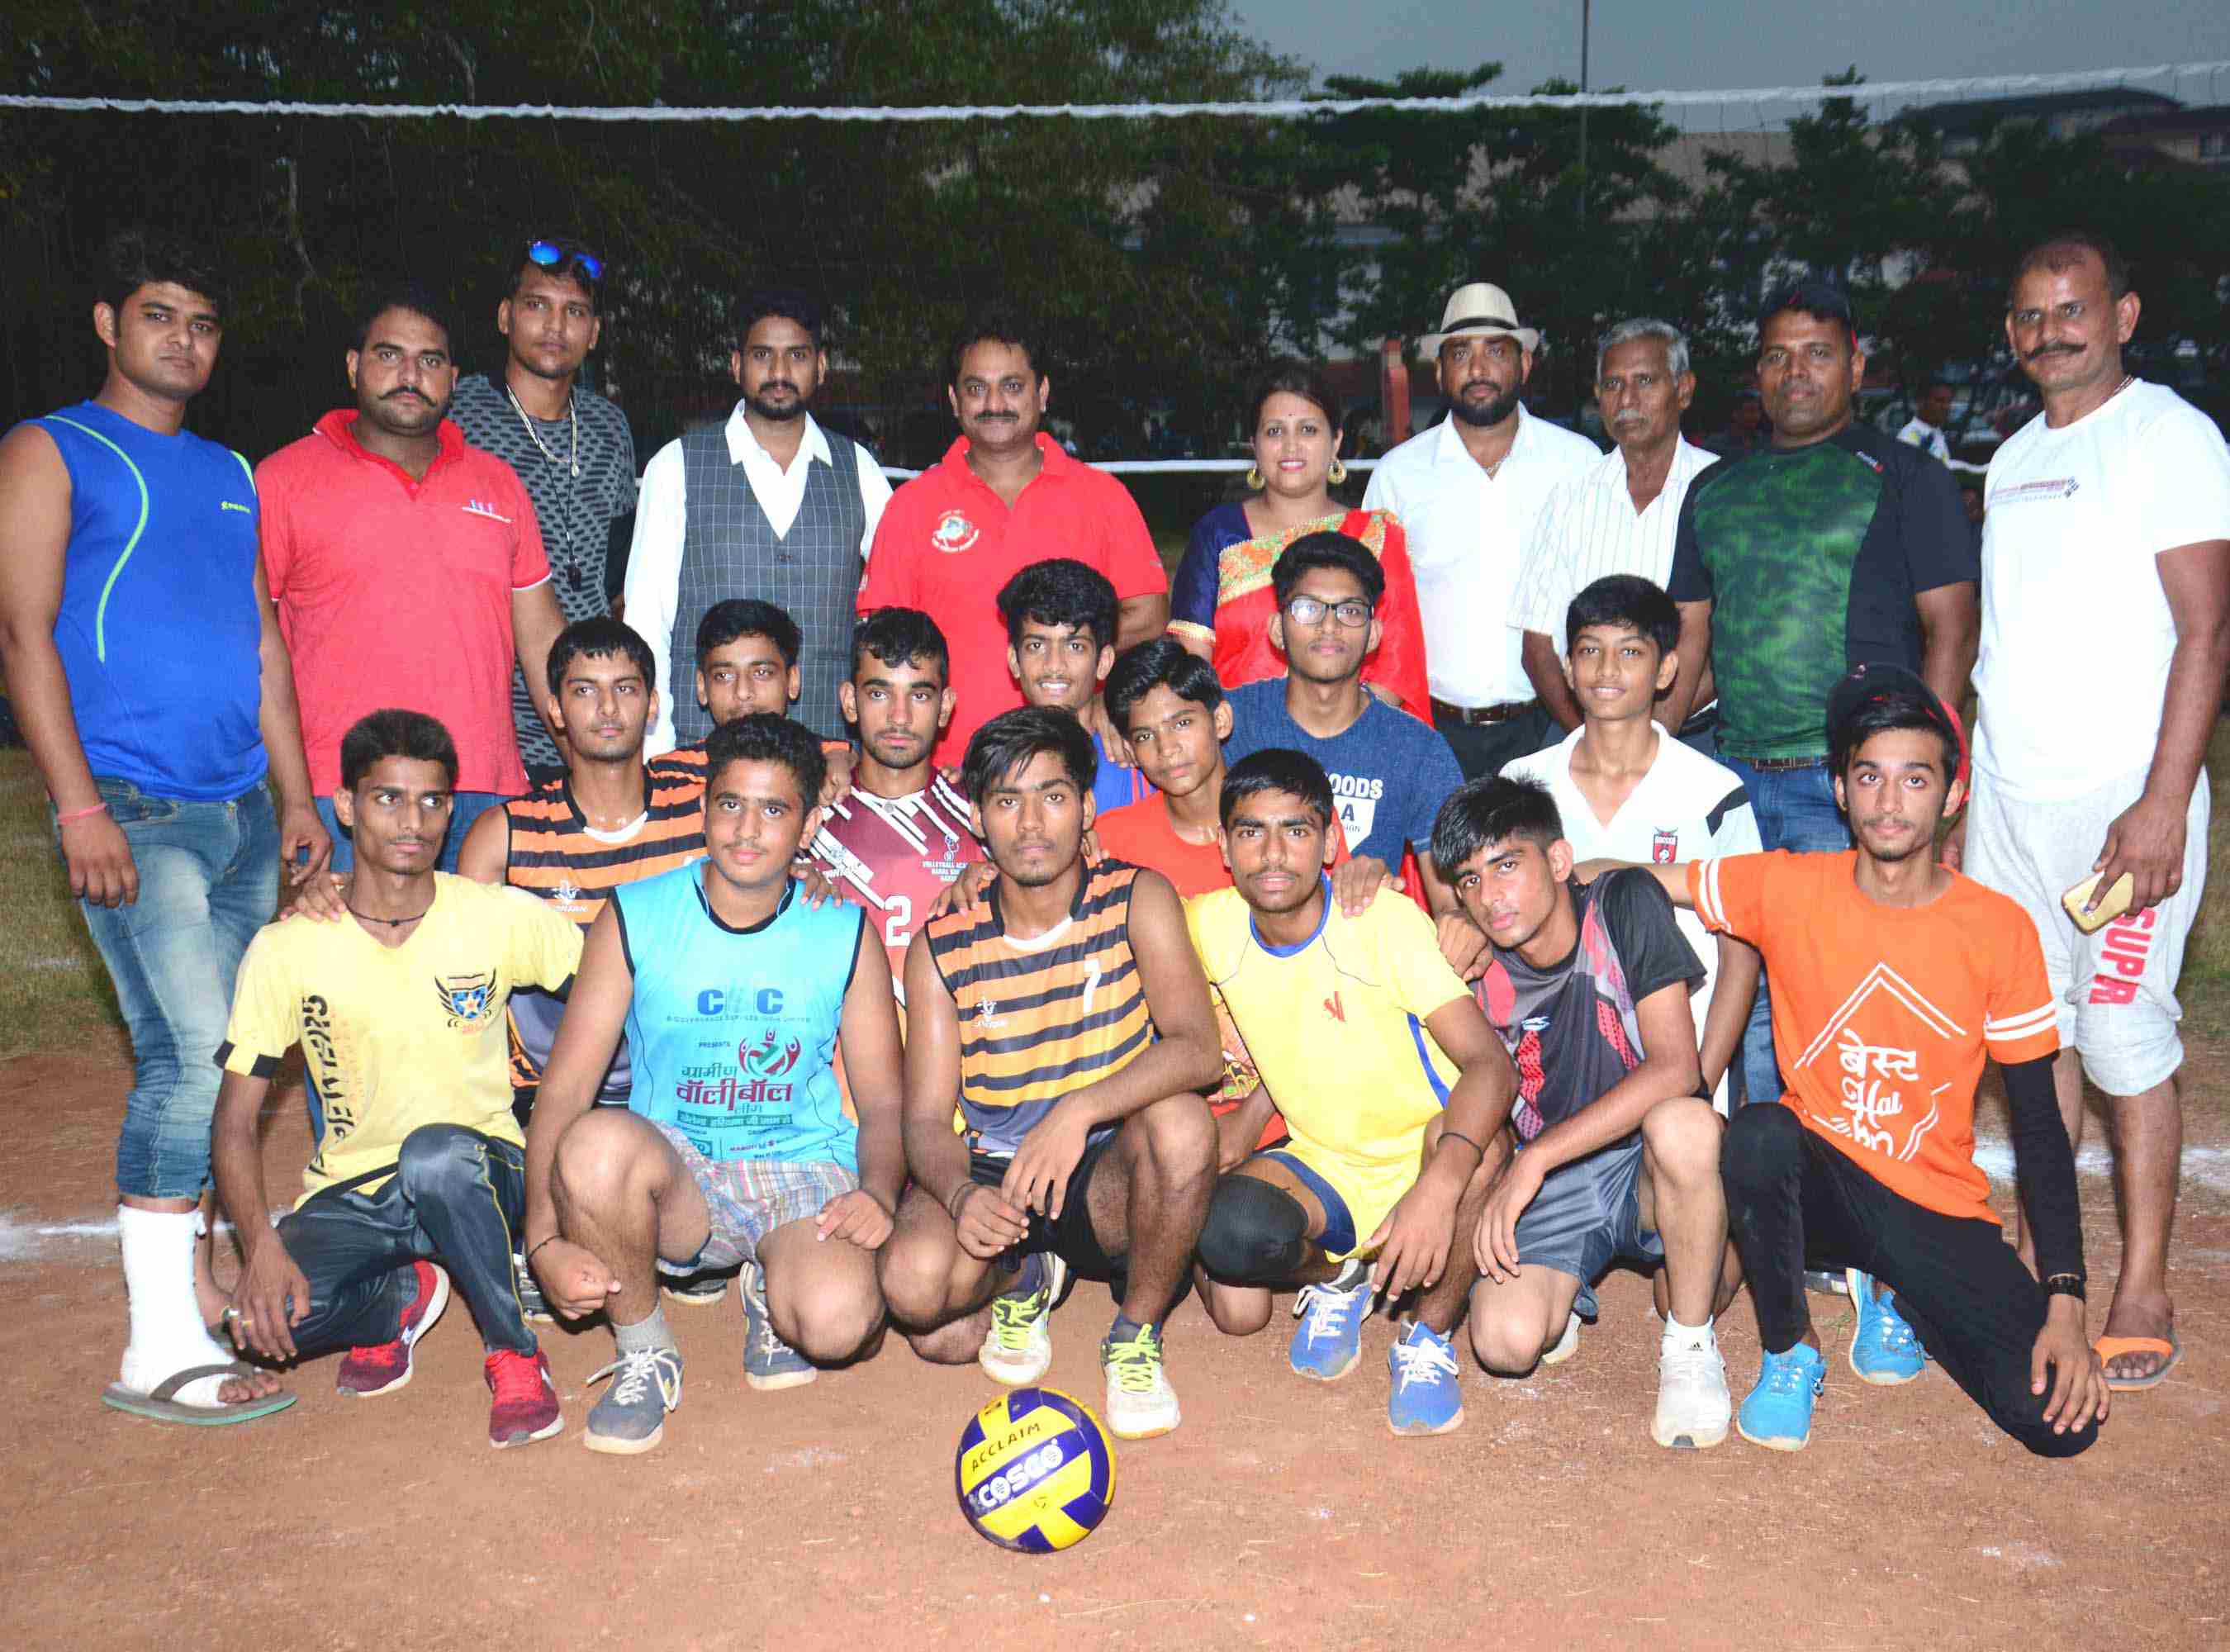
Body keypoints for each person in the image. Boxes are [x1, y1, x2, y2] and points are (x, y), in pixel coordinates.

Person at [0, 228, 327, 1425]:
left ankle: (195, 1284)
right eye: (158, 317)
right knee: (190, 1055)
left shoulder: (232, 471)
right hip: (133, 804)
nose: (182, 340)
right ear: (107, 322)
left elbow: (261, 645)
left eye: (200, 323)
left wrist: (295, 795)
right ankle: (155, 1346)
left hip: (242, 808)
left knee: (232, 1056)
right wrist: (79, 802)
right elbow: (23, 630)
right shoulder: (50, 448)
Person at [1625, 664, 2107, 1455]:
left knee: (2061, 1423)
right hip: (1818, 1187)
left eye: (1915, 779)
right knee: (1756, 1133)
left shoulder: (1997, 927)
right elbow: (1643, 878)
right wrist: (1522, 894)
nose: (1890, 801)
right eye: (1869, 777)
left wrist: (2066, 1299)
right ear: (1841, 792)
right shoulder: (1788, 886)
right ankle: (1791, 1351)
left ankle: (1897, 1291)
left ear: (1952, 796)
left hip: (1933, 1204)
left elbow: (2041, 1128)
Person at [1951, 230, 2230, 1392]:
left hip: (2124, 803)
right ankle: (2047, 1258)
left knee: (2120, 1038)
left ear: (2121, 314)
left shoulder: (2170, 437)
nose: (2048, 331)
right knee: (2033, 1040)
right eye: (2028, 316)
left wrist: (2163, 800)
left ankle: (2143, 1278)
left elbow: (2207, 629)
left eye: (2070, 310)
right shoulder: (2012, 456)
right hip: (2013, 802)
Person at [521, 716, 907, 1452]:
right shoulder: (636, 915)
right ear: (705, 808)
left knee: (836, 1323)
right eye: (731, 804)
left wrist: (880, 1193)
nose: (747, 831)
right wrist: (541, 1235)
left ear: (810, 822)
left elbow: (884, 1101)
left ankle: (774, 1279)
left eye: (774, 810)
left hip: (799, 1168)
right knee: (595, 1143)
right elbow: (566, 1090)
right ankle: (644, 1349)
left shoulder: (843, 930)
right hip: (679, 1173)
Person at [211, 710, 583, 1449]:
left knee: (436, 1154)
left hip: (481, 1167)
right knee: (257, 1326)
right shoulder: (288, 947)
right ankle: (398, 1299)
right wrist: (257, 1246)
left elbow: (621, 978)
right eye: (388, 799)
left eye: (433, 801)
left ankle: (515, 1355)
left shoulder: (497, 917)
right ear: (346, 807)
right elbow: (231, 1121)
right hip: (352, 1188)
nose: (413, 821)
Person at [1660, 279, 1977, 1113]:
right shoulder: (1715, 489)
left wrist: (1934, 777)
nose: (1795, 372)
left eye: (1818, 353)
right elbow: (1691, 644)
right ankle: (1770, 1204)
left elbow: (1952, 631)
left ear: (1856, 365)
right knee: (1740, 996)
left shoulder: (1908, 477)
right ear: (1757, 372)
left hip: (1839, 791)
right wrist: (1647, 761)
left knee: (1843, 999)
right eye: (1777, 355)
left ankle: (1848, 1204)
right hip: (1730, 781)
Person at [876, 708, 1222, 1440]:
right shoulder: (942, 945)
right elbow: (924, 1121)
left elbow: (1198, 1048)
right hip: (1002, 1170)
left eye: (1053, 796)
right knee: (923, 1308)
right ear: (979, 818)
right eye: (1008, 801)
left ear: (1088, 808)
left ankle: (1134, 1333)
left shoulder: (1137, 898)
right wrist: (963, 1193)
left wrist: (1080, 1111)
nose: (1031, 822)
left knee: (1184, 1123)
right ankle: (1027, 1275)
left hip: (1102, 1171)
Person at [1189, 752, 1514, 1436]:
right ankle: (1340, 1273)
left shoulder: (1383, 922)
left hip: (1428, 1146)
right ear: (1223, 846)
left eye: (1297, 831)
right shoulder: (1209, 927)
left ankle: (1427, 1337)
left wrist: (1438, 1187)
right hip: (1326, 1158)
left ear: (1332, 842)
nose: (1273, 854)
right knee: (1230, 1232)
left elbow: (1491, 1066)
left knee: (1481, 1150)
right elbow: (1104, 924)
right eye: (1250, 832)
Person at [1433, 776, 1732, 1450]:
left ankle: (1688, 1346)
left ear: (1559, 862)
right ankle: (1564, 1289)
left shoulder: (1624, 903)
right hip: (1563, 1185)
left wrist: (1533, 1158)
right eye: (1471, 881)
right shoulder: (1476, 967)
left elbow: (1676, 1067)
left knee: (1684, 1125)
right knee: (1505, 1344)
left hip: (1647, 1165)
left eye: (1508, 865)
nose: (1491, 896)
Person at [257, 282, 567, 871]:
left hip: (482, 785)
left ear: (453, 379)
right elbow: (256, 649)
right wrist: (295, 793)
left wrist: (585, 766)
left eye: (429, 361)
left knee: (479, 966)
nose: (409, 374)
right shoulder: (282, 481)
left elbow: (542, 640)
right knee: (355, 962)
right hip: (345, 792)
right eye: (388, 355)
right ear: (353, 367)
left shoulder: (498, 484)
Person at [858, 318, 1170, 767]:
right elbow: (884, 647)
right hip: (950, 768)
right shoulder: (911, 507)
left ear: (1041, 393)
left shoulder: (1102, 498)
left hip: (1075, 760)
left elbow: (1148, 615)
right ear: (954, 400)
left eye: (1012, 386)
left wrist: (1104, 690)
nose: (994, 404)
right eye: (976, 388)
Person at [1502, 575, 1760, 1113]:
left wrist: (1699, 1085)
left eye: (1631, 651)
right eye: (1590, 650)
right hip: (1548, 1067)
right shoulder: (1522, 783)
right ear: (1569, 668)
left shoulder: (1714, 791)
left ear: (1666, 669)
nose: (1608, 669)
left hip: (1676, 1066)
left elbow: (1742, 954)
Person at [625, 288, 891, 752]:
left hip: (827, 751)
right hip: (700, 743)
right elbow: (648, 618)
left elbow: (890, 610)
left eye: (797, 356)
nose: (780, 372)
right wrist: (656, 747)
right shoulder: (676, 466)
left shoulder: (861, 471)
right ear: (736, 365)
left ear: (821, 367)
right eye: (763, 355)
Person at [1362, 281, 1597, 778]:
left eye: (1496, 351)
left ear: (1525, 365)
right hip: (1432, 731)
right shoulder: (1399, 475)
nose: (1478, 368)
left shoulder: (1578, 462)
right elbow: (1374, 608)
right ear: (1440, 371)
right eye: (1461, 353)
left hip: (1553, 727)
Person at [448, 238, 638, 779]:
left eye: (574, 311)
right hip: (485, 721)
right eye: (537, 306)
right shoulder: (459, 419)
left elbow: (615, 575)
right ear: (506, 317)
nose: (556, 326)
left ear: (595, 332)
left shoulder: (609, 428)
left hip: (585, 716)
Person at [1220, 534, 1464, 913]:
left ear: (1374, 635)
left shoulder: (1418, 750)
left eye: (1349, 611)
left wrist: (1458, 929)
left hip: (1362, 955)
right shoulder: (1230, 724)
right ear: (1276, 629)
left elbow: (1454, 905)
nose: (1329, 626)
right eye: (1307, 608)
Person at [1510, 320, 1721, 752]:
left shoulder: (1726, 491)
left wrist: (1651, 742)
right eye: (1613, 384)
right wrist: (1596, 743)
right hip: (1580, 737)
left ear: (1683, 389)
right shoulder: (1571, 497)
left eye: (1645, 381)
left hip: (1698, 740)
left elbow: (1735, 646)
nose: (1627, 400)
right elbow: (1537, 648)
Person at [1170, 359, 1427, 713]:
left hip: (1353, 750)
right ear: (1254, 445)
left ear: (1336, 441)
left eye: (1308, 430)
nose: (1291, 446)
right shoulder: (1218, 535)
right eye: (1274, 431)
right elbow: (1191, 663)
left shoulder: (1377, 538)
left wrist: (1342, 739)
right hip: (1240, 743)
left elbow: (1396, 665)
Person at [804, 608, 984, 998]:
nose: (899, 717)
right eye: (879, 693)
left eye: (919, 695)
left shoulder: (986, 816)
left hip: (958, 1054)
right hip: (833, 1058)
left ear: (946, 705)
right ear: (850, 701)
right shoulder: (804, 817)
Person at [997, 558, 1155, 816]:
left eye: (1075, 646)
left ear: (1103, 662)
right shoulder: (993, 766)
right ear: (1015, 661)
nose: (1055, 665)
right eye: (1037, 646)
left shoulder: (1140, 764)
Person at [657, 598, 856, 804]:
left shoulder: (831, 773)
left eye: (762, 673)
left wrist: (839, 758)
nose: (743, 692)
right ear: (702, 686)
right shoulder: (668, 782)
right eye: (723, 675)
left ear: (793, 681)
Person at [1896, 380, 1956, 465]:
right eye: (1940, 401)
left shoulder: (1937, 434)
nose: (1946, 406)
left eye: (1949, 401)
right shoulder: (1909, 438)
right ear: (1921, 402)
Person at [1706, 392, 1768, 458]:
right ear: (1736, 414)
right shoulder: (1715, 444)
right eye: (1750, 411)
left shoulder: (1763, 442)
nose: (1755, 416)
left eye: (1758, 411)